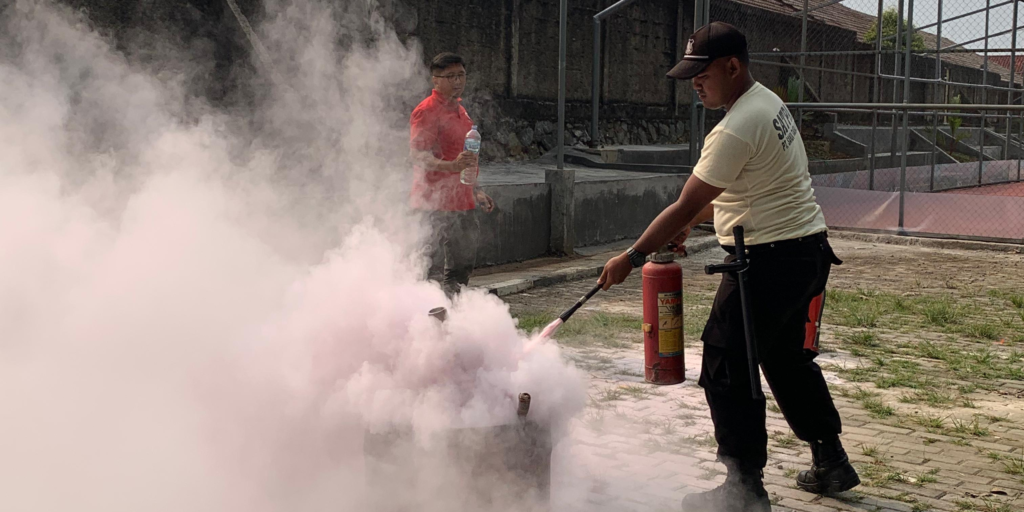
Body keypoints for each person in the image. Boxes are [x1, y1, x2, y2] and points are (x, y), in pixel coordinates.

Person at [597, 22, 859, 512]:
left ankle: (744, 489)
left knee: (724, 363)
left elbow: (683, 204)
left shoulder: (737, 125)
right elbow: (739, 192)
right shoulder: (767, 103)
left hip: (769, 261)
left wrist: (630, 258)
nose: (695, 83)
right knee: (784, 359)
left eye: (703, 74)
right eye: (690, 75)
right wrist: (689, 225)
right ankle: (831, 460)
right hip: (805, 252)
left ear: (732, 66)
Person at [409, 52, 495, 298]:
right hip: (433, 203)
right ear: (435, 80)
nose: (458, 81)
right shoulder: (426, 111)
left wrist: (476, 189)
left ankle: (453, 318)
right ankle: (426, 321)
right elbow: (417, 155)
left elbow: (466, 156)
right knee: (430, 272)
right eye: (450, 77)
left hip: (462, 201)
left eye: (461, 75)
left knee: (461, 268)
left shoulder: (462, 112)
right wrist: (451, 167)